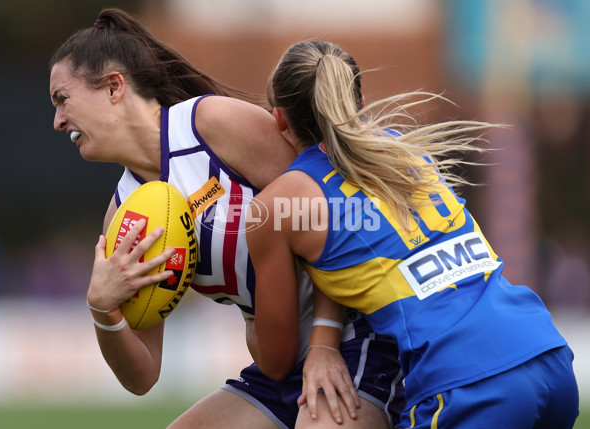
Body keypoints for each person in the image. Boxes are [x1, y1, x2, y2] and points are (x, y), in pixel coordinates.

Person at [49, 9, 405, 429]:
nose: (57, 122)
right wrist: (102, 309)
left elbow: (337, 213)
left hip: (356, 335)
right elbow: (143, 375)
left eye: (62, 99)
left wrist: (325, 341)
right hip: (282, 366)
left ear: (113, 87)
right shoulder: (125, 215)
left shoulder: (211, 125)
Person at [246, 40, 580, 428]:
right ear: (359, 101)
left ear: (280, 119)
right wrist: (325, 336)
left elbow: (276, 360)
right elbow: (360, 247)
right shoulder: (408, 154)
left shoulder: (278, 205)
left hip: (470, 383)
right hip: (546, 353)